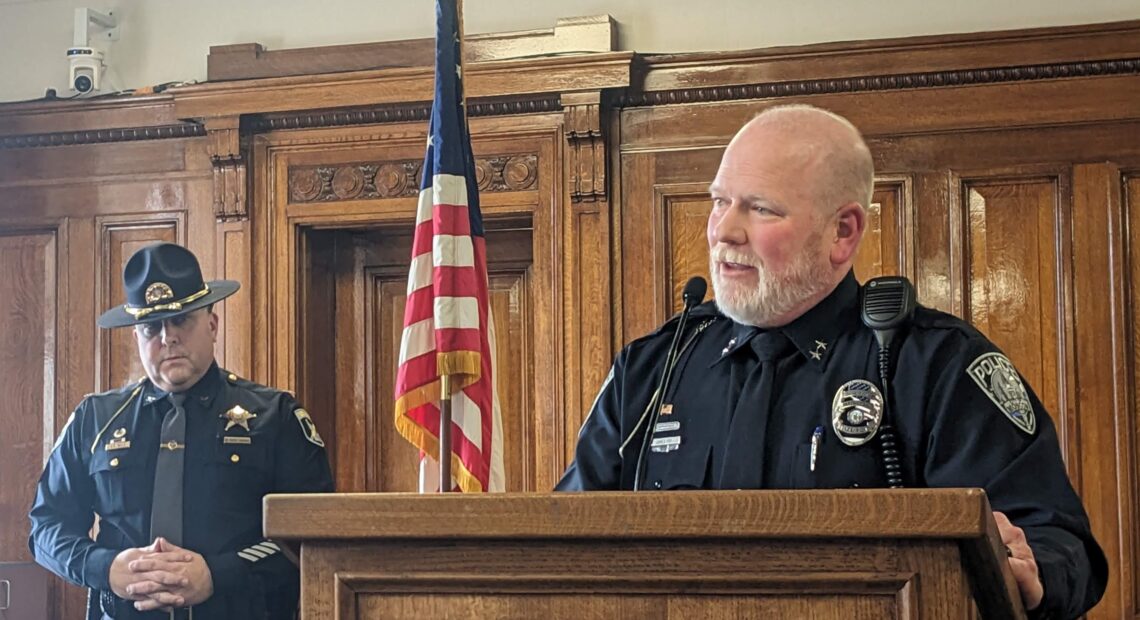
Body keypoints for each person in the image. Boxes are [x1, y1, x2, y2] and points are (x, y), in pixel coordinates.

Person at [555, 105, 1107, 618]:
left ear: (842, 232)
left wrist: (1032, 571)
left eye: (760, 208)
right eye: (720, 200)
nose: (723, 230)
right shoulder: (654, 368)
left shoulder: (934, 364)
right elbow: (561, 543)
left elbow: (1061, 546)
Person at [29, 242, 334, 619]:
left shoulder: (276, 417)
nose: (167, 337)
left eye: (182, 319)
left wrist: (218, 575)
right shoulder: (96, 419)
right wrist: (105, 567)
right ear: (137, 336)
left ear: (212, 323)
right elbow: (46, 528)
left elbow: (316, 538)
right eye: (151, 326)